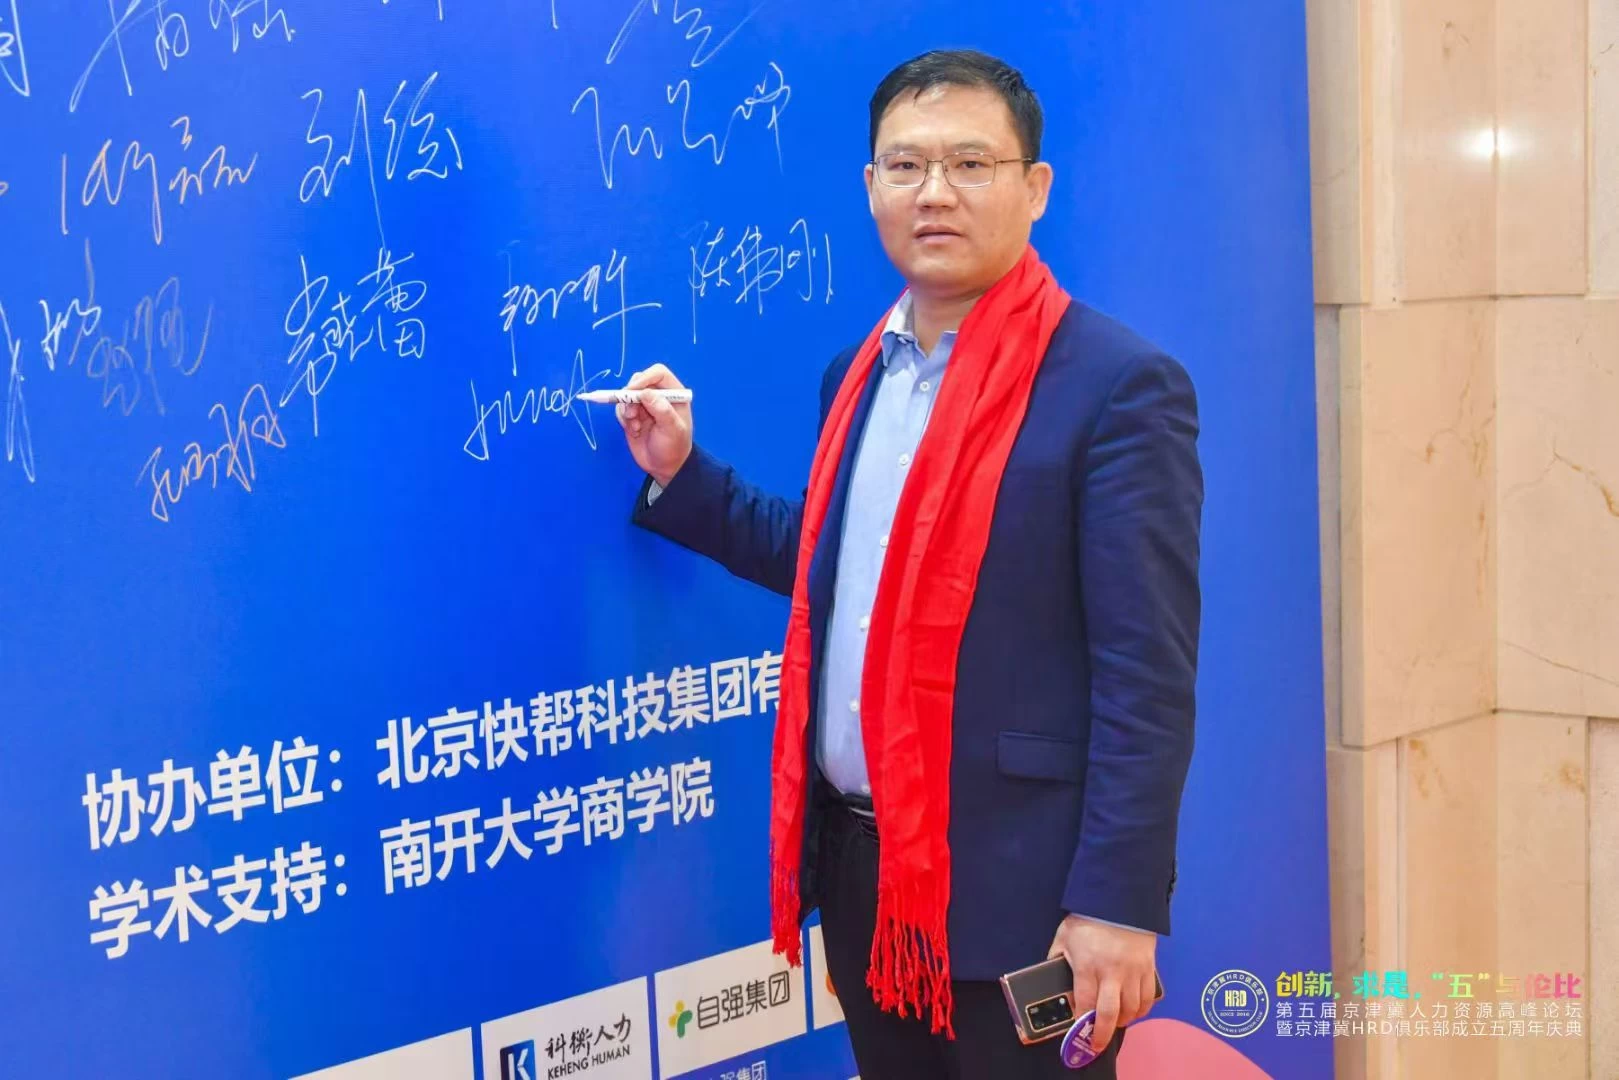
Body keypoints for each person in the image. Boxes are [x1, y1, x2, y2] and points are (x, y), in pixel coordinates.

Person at [613, 48, 1201, 1080]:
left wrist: (1117, 903)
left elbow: (1144, 676)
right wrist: (683, 476)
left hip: (1024, 894)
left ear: (1034, 188)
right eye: (905, 165)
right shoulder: (858, 372)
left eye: (970, 164)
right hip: (865, 880)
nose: (934, 192)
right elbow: (842, 570)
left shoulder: (1115, 387)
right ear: (870, 186)